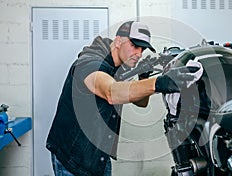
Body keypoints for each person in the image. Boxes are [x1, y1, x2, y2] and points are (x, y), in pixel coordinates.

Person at [46, 21, 198, 176]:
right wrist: (158, 83)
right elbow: (111, 92)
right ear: (118, 41)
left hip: (98, 157)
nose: (139, 53)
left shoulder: (119, 68)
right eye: (134, 45)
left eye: (142, 49)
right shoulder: (89, 63)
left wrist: (142, 77)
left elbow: (141, 102)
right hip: (73, 158)